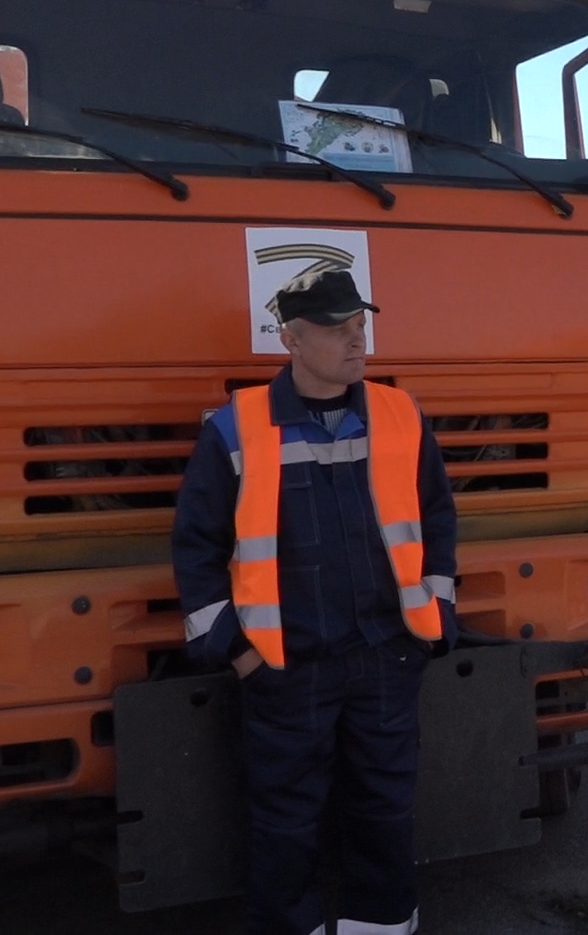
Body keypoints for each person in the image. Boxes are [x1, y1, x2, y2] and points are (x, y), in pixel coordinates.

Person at [172, 268, 459, 935]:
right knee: (284, 823)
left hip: (386, 658)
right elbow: (196, 549)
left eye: (360, 326)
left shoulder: (399, 415)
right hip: (286, 667)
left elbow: (438, 520)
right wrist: (236, 654)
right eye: (338, 330)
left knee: (385, 813)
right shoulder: (234, 430)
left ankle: (381, 928)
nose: (357, 341)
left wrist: (434, 620)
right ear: (292, 340)